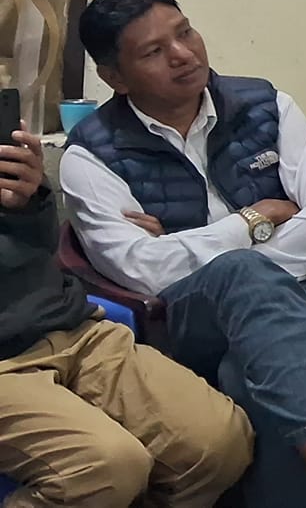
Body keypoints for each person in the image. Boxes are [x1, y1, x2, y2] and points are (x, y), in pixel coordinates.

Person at [61, 0, 306, 508]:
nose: (183, 54)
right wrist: (255, 220)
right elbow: (144, 270)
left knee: (250, 377)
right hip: (185, 316)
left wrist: (187, 245)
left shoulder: (268, 106)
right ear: (115, 77)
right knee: (243, 274)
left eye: (185, 32)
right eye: (154, 51)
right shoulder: (91, 155)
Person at [0, 108, 252, 505]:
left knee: (218, 442)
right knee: (106, 466)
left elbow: (40, 246)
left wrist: (28, 201)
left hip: (68, 324)